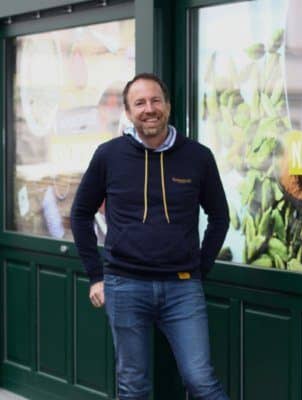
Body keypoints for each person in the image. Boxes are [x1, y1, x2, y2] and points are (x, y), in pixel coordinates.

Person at [71, 72, 230, 400]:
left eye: (155, 100)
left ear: (168, 106)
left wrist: (201, 267)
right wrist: (95, 275)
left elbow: (220, 217)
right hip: (125, 286)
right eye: (139, 103)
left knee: (200, 380)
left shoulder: (198, 157)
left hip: (183, 288)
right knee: (133, 386)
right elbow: (80, 214)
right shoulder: (109, 155)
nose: (149, 108)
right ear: (128, 113)